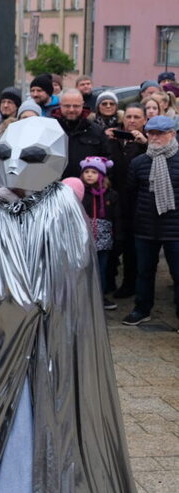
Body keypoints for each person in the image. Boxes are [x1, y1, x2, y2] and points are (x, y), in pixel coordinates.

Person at [0, 118, 140, 493]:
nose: (13, 167)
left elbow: (71, 276)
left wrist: (37, 307)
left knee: (51, 409)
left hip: (51, 342)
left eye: (28, 157)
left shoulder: (63, 206)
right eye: (5, 155)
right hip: (0, 338)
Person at [122, 115, 179, 327]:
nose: (154, 137)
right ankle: (141, 309)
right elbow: (131, 194)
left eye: (160, 133)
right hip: (146, 227)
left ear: (171, 134)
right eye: (151, 133)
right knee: (144, 271)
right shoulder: (139, 162)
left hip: (175, 228)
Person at [109, 103, 149, 299]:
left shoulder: (148, 142)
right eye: (129, 117)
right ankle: (109, 281)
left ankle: (129, 283)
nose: (132, 121)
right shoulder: (114, 140)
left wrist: (145, 143)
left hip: (137, 201)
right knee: (114, 242)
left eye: (136, 117)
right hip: (114, 200)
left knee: (133, 247)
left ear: (144, 121)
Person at [80, 156, 120, 310]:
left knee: (101, 269)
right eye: (87, 172)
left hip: (104, 239)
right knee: (83, 268)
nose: (89, 175)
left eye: (94, 172)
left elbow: (117, 217)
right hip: (83, 238)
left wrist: (118, 236)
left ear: (102, 175)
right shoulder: (80, 193)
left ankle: (99, 296)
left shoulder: (111, 195)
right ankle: (82, 296)